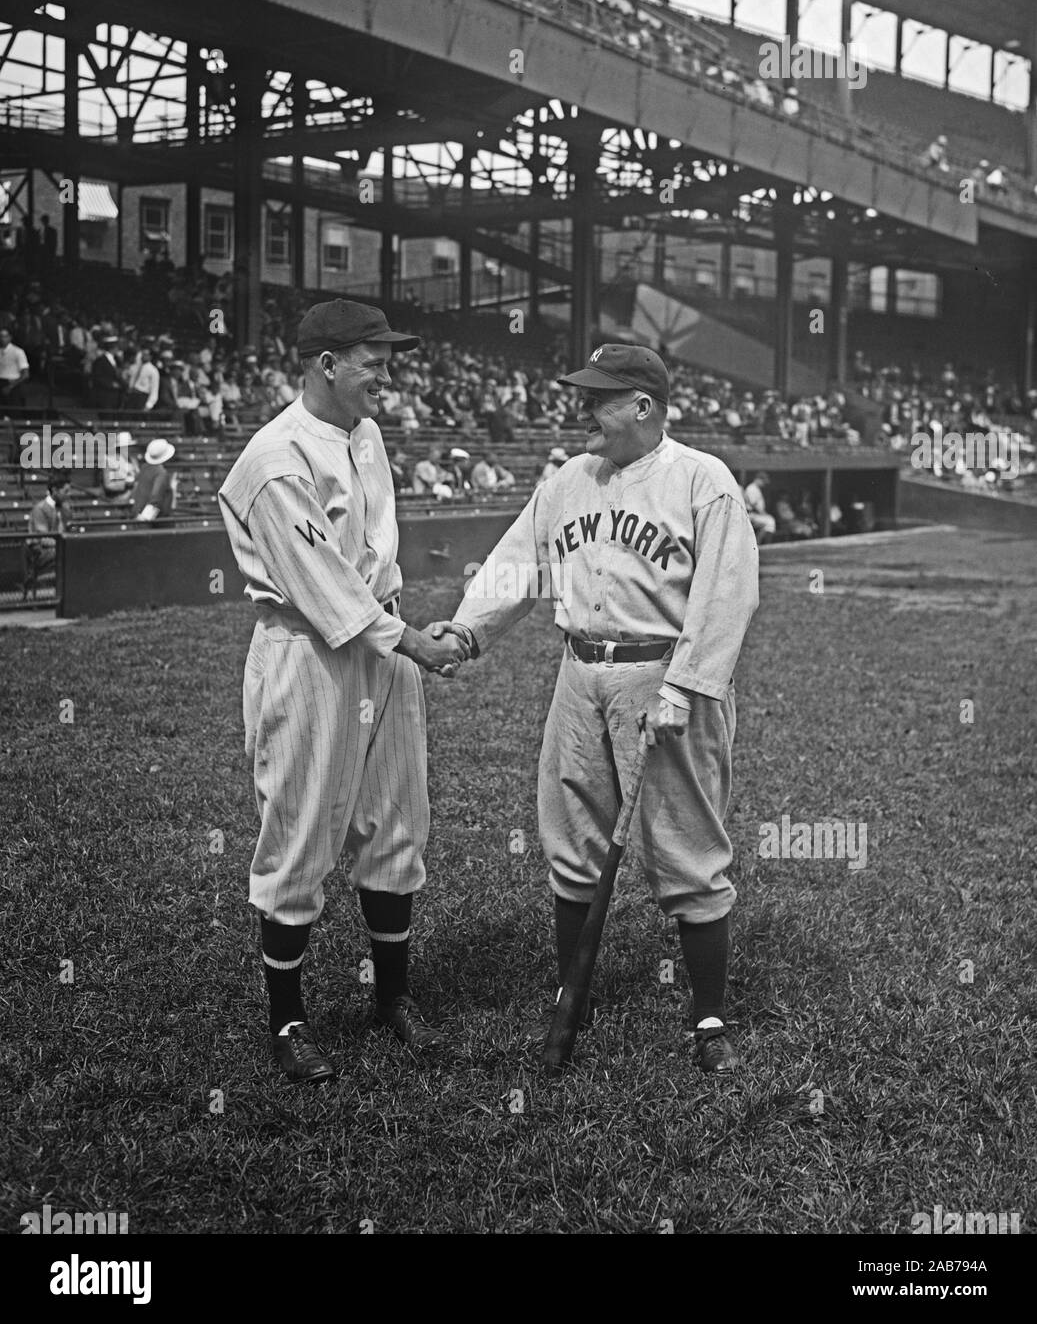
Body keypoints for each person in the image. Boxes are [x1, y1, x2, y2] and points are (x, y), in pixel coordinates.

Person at [434, 344, 759, 1074]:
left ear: (641, 406)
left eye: (598, 399)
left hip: (663, 676)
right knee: (571, 834)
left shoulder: (701, 481)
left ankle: (707, 1017)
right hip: (579, 672)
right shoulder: (569, 480)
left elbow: (727, 593)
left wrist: (683, 687)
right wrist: (467, 629)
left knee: (685, 845)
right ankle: (569, 992)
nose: (581, 410)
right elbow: (519, 562)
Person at [217, 299, 469, 1087]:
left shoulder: (365, 434)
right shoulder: (272, 459)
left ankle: (390, 997)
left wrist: (398, 635)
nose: (387, 376)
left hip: (381, 642)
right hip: (311, 651)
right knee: (298, 833)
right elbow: (323, 587)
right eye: (374, 361)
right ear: (326, 363)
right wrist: (414, 643)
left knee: (397, 823)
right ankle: (288, 1021)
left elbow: (369, 561)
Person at [27, 474, 71, 586]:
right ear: (55, 490)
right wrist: (66, 543)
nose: (69, 495)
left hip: (60, 547)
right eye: (66, 491)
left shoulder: (65, 509)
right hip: (40, 552)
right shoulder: (40, 509)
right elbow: (43, 539)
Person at [132, 438, 177, 522]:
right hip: (155, 521)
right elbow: (156, 498)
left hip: (139, 512)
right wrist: (144, 518)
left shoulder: (144, 467)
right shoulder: (161, 473)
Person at [90, 335, 126, 411]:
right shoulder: (100, 361)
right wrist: (111, 384)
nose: (118, 348)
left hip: (116, 396)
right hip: (105, 396)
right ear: (112, 347)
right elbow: (97, 377)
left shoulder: (117, 360)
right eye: (116, 346)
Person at [0, 326, 30, 409]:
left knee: (14, 412)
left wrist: (10, 386)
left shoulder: (18, 352)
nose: (2, 339)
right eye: (1, 336)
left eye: (5, 336)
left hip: (13, 384)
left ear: (10, 337)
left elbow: (25, 374)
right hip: (1, 382)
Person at [742, 471, 776, 543]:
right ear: (758, 479)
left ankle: (760, 544)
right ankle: (761, 544)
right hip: (751, 514)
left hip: (756, 514)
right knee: (770, 521)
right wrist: (763, 513)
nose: (764, 484)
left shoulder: (755, 488)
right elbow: (753, 505)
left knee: (769, 521)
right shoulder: (752, 488)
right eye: (763, 481)